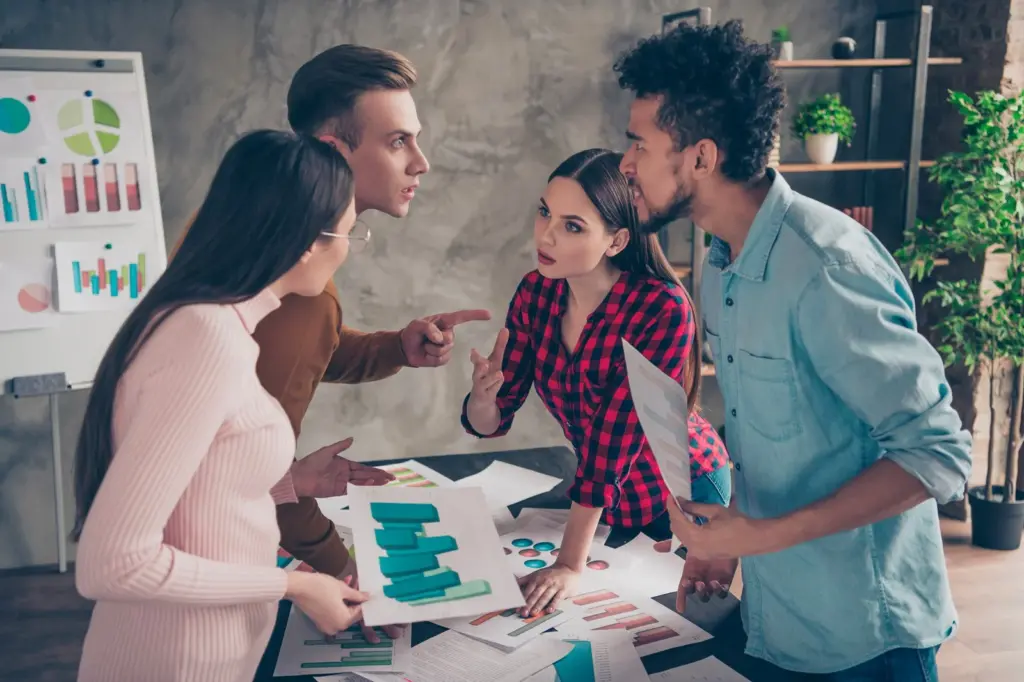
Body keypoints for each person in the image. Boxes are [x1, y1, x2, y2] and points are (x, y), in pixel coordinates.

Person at [614, 20, 973, 679]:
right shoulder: (721, 262)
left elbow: (940, 456)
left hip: (869, 640)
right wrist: (733, 540)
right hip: (777, 624)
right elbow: (780, 431)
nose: (626, 164)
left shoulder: (826, 268)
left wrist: (759, 536)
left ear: (701, 156)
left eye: (639, 143)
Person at [172, 45, 491, 597]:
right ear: (333, 149)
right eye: (398, 142)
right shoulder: (298, 281)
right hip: (208, 563)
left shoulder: (248, 222)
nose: (422, 161)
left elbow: (298, 352)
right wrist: (344, 571)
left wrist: (395, 347)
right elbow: (257, 472)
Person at [72, 130, 375, 682]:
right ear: (310, 241)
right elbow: (114, 564)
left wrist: (289, 485)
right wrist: (297, 584)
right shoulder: (206, 337)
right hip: (175, 662)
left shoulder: (205, 321)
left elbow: (195, 493)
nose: (349, 249)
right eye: (351, 233)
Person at [462, 148, 731, 617]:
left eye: (572, 225)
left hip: (685, 491)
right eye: (545, 212)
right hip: (606, 496)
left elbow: (615, 438)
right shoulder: (536, 292)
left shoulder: (661, 309)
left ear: (616, 239)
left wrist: (569, 563)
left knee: (680, 630)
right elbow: (494, 415)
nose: (546, 234)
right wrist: (482, 401)